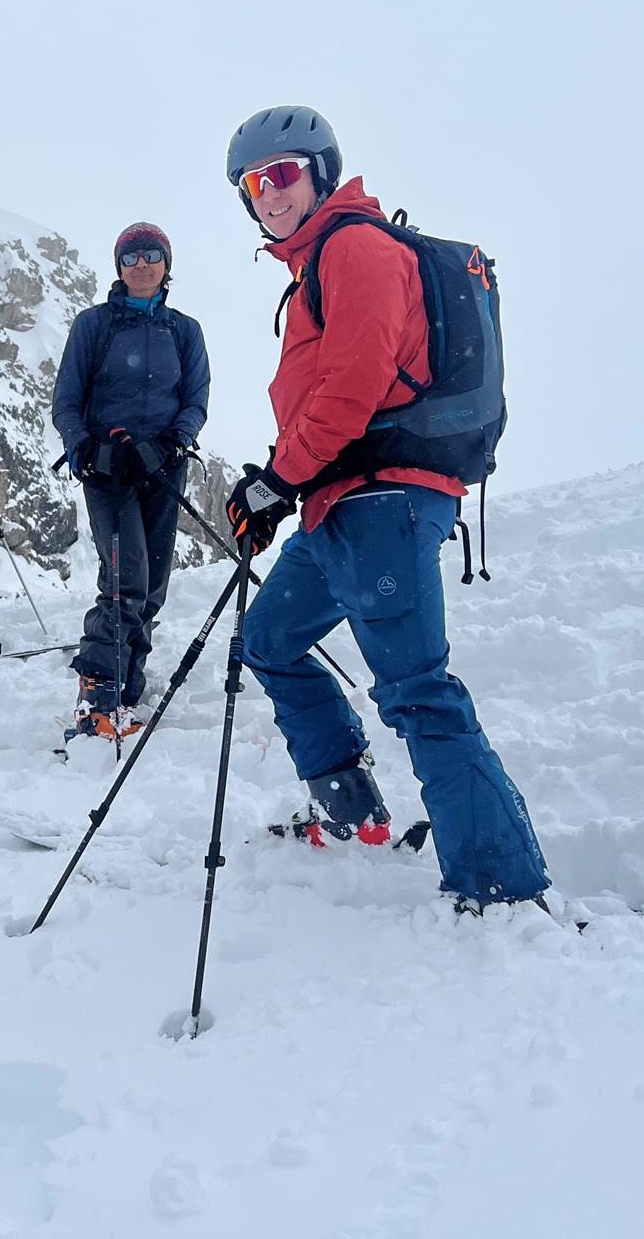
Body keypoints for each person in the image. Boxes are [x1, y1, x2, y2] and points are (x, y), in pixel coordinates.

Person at [222, 104, 548, 912]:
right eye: (253, 185)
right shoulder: (316, 267)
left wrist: (277, 480)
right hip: (340, 501)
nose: (269, 193)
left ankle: (500, 885)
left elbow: (353, 386)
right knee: (270, 639)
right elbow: (329, 398)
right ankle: (350, 808)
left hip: (383, 500)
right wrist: (283, 485)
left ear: (320, 173)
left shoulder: (355, 247)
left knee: (415, 689)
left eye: (282, 174)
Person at [51, 222, 209, 739]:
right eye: (131, 256)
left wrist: (171, 444)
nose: (142, 264)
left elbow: (195, 401)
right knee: (127, 579)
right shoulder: (94, 326)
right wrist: (86, 448)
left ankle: (127, 688)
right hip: (109, 471)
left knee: (153, 583)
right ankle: (97, 696)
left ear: (167, 265)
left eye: (152, 255)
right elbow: (66, 401)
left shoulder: (184, 331)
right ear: (119, 267)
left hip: (162, 468)